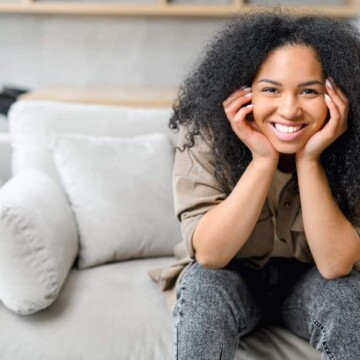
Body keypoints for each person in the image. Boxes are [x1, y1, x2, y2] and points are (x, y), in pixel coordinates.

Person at [168, 9, 360, 360]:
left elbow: (335, 266)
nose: (289, 110)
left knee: (347, 295)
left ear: (336, 96)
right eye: (271, 89)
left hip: (311, 280)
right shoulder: (205, 134)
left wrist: (310, 159)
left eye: (309, 91)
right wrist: (263, 160)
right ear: (244, 93)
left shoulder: (354, 146)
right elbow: (211, 254)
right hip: (232, 277)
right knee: (203, 284)